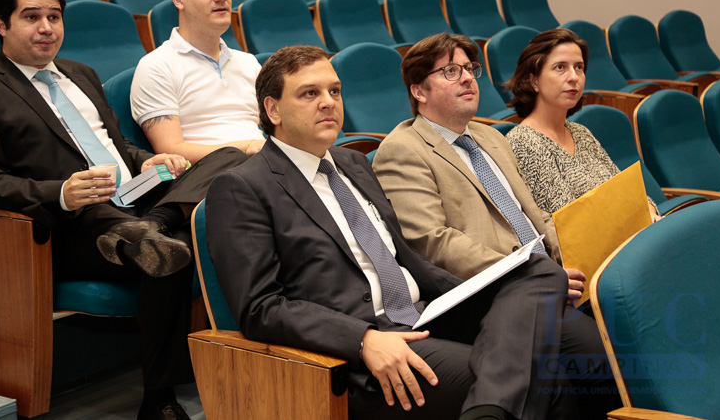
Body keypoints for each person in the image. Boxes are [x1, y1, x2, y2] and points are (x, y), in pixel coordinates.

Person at [205, 45, 582, 420]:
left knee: (539, 273)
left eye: (334, 91)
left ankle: (492, 406)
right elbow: (260, 308)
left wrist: (484, 290)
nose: (328, 102)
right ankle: (489, 409)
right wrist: (362, 340)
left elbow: (405, 259)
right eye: (309, 93)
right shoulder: (243, 187)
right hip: (365, 344)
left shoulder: (353, 163)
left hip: (427, 314)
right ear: (273, 110)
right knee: (547, 382)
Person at [0, 0, 247, 420]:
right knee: (169, 251)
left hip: (138, 202)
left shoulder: (81, 74)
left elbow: (118, 147)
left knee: (228, 158)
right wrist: (61, 193)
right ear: (2, 25)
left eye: (54, 17)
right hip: (73, 224)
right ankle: (158, 398)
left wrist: (148, 160)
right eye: (31, 17)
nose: (46, 27)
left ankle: (156, 225)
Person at [372, 33, 620, 419]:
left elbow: (536, 217)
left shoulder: (489, 136)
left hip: (547, 280)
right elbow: (433, 242)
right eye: (450, 71)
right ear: (419, 90)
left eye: (469, 69)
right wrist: (531, 271)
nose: (467, 78)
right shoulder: (403, 150)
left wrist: (574, 257)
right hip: (490, 296)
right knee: (603, 355)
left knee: (628, 323)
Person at [504, 28, 660, 220]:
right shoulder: (523, 142)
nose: (574, 77)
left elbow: (626, 190)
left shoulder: (580, 132)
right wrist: (636, 214)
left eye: (579, 67)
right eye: (560, 67)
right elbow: (570, 220)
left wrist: (649, 210)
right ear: (534, 81)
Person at [131, 0, 265, 164]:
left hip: (265, 167)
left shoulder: (248, 63)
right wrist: (247, 148)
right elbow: (170, 150)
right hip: (212, 175)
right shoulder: (156, 66)